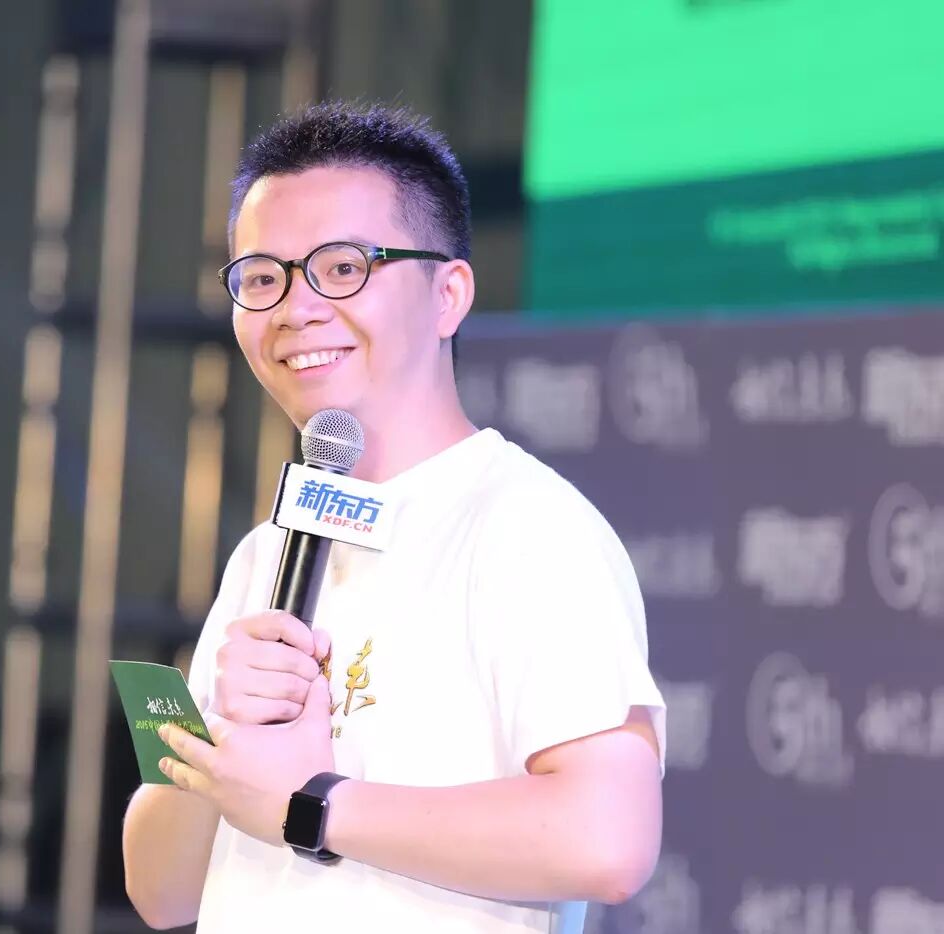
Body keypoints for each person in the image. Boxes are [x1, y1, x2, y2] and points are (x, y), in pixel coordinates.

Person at [121, 101, 665, 934]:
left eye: (342, 268)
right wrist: (226, 741)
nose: (295, 308)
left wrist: (314, 804)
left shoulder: (526, 526)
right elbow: (160, 892)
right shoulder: (266, 553)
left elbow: (609, 838)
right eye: (262, 278)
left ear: (448, 295)